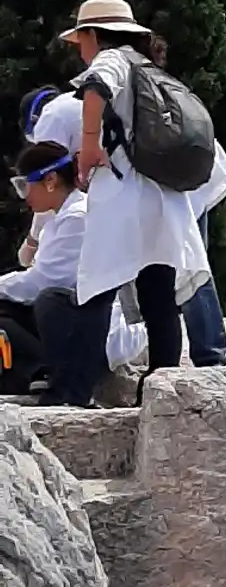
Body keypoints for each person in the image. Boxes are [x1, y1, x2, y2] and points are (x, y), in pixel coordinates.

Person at [21, 79, 226, 368]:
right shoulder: (77, 107)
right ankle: (203, 353)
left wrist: (32, 243)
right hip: (186, 172)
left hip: (168, 185)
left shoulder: (52, 118)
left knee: (176, 270)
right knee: (184, 268)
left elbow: (49, 182)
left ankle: (205, 358)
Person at [62, 0, 209, 379]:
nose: (81, 53)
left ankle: (74, 389)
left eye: (81, 42)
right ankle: (162, 386)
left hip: (123, 194)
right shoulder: (147, 65)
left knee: (97, 286)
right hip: (163, 199)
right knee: (159, 297)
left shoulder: (112, 59)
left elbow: (95, 87)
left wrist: (89, 145)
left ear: (93, 35)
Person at [0, 142, 139, 404]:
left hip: (99, 323)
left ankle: (61, 386)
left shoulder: (77, 218)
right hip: (82, 314)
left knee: (48, 300)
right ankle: (38, 374)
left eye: (25, 185)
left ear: (50, 180)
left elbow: (42, 282)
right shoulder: (60, 218)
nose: (24, 195)